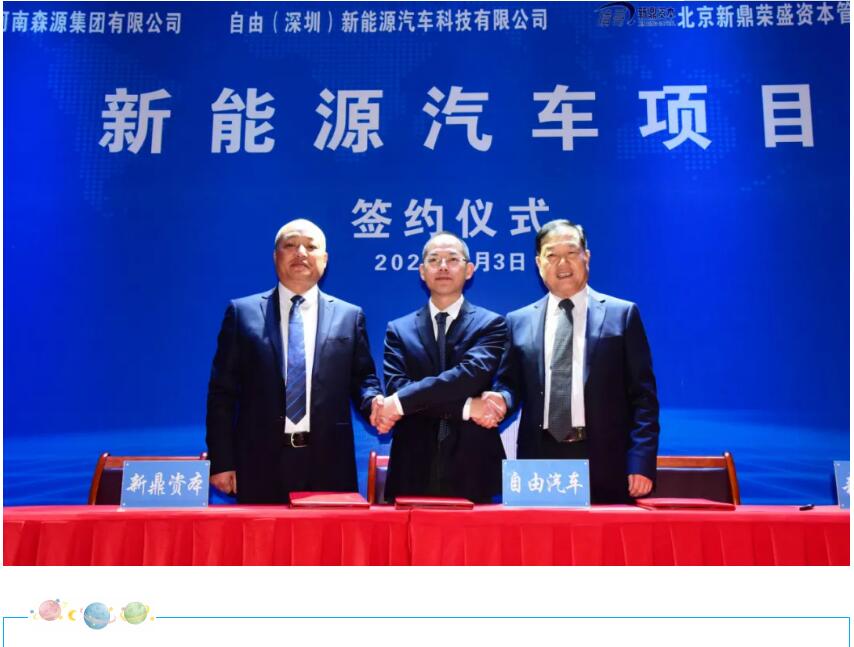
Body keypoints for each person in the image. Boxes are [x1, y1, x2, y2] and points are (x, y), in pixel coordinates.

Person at [205, 219, 383, 504]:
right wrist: (222, 461)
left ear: (325, 259)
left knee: (327, 535)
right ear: (275, 256)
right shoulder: (242, 313)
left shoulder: (349, 316)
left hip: (329, 463)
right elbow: (222, 394)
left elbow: (363, 379)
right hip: (258, 463)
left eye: (310, 247)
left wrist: (374, 403)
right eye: (290, 245)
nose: (300, 252)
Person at [490, 219, 660, 503]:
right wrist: (499, 400)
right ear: (539, 263)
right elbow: (509, 385)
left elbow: (644, 399)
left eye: (571, 252)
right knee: (539, 532)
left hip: (606, 460)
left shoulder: (622, 315)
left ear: (586, 256)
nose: (562, 263)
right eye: (552, 255)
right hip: (538, 460)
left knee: (604, 533)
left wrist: (641, 462)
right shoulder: (518, 321)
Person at [373, 232, 508, 503]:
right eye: (434, 260)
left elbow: (467, 377)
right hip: (412, 463)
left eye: (452, 259)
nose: (443, 266)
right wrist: (468, 408)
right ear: (422, 272)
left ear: (469, 270)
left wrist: (399, 403)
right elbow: (398, 386)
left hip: (473, 465)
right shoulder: (398, 330)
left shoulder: (491, 324)